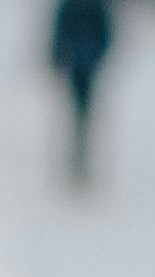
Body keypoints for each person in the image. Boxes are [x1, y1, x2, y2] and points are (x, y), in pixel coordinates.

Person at [51, 0, 119, 187]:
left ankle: (79, 156)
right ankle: (77, 156)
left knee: (82, 114)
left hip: (86, 66)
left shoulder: (92, 6)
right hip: (78, 65)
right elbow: (61, 30)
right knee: (80, 114)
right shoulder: (82, 5)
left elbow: (105, 36)